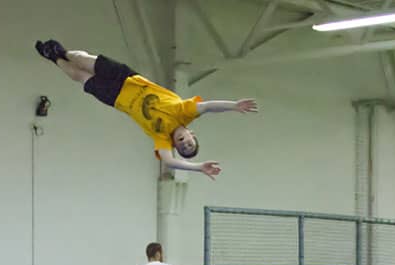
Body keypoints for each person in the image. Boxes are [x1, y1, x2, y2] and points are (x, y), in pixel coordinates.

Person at [35, 40, 257, 179]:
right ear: (191, 133)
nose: (182, 141)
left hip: (115, 97)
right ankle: (63, 52)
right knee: (82, 60)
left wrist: (198, 168)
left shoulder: (161, 137)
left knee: (79, 76)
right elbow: (208, 107)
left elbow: (169, 161)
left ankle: (53, 58)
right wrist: (234, 106)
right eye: (188, 141)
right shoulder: (185, 111)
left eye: (181, 146)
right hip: (127, 78)